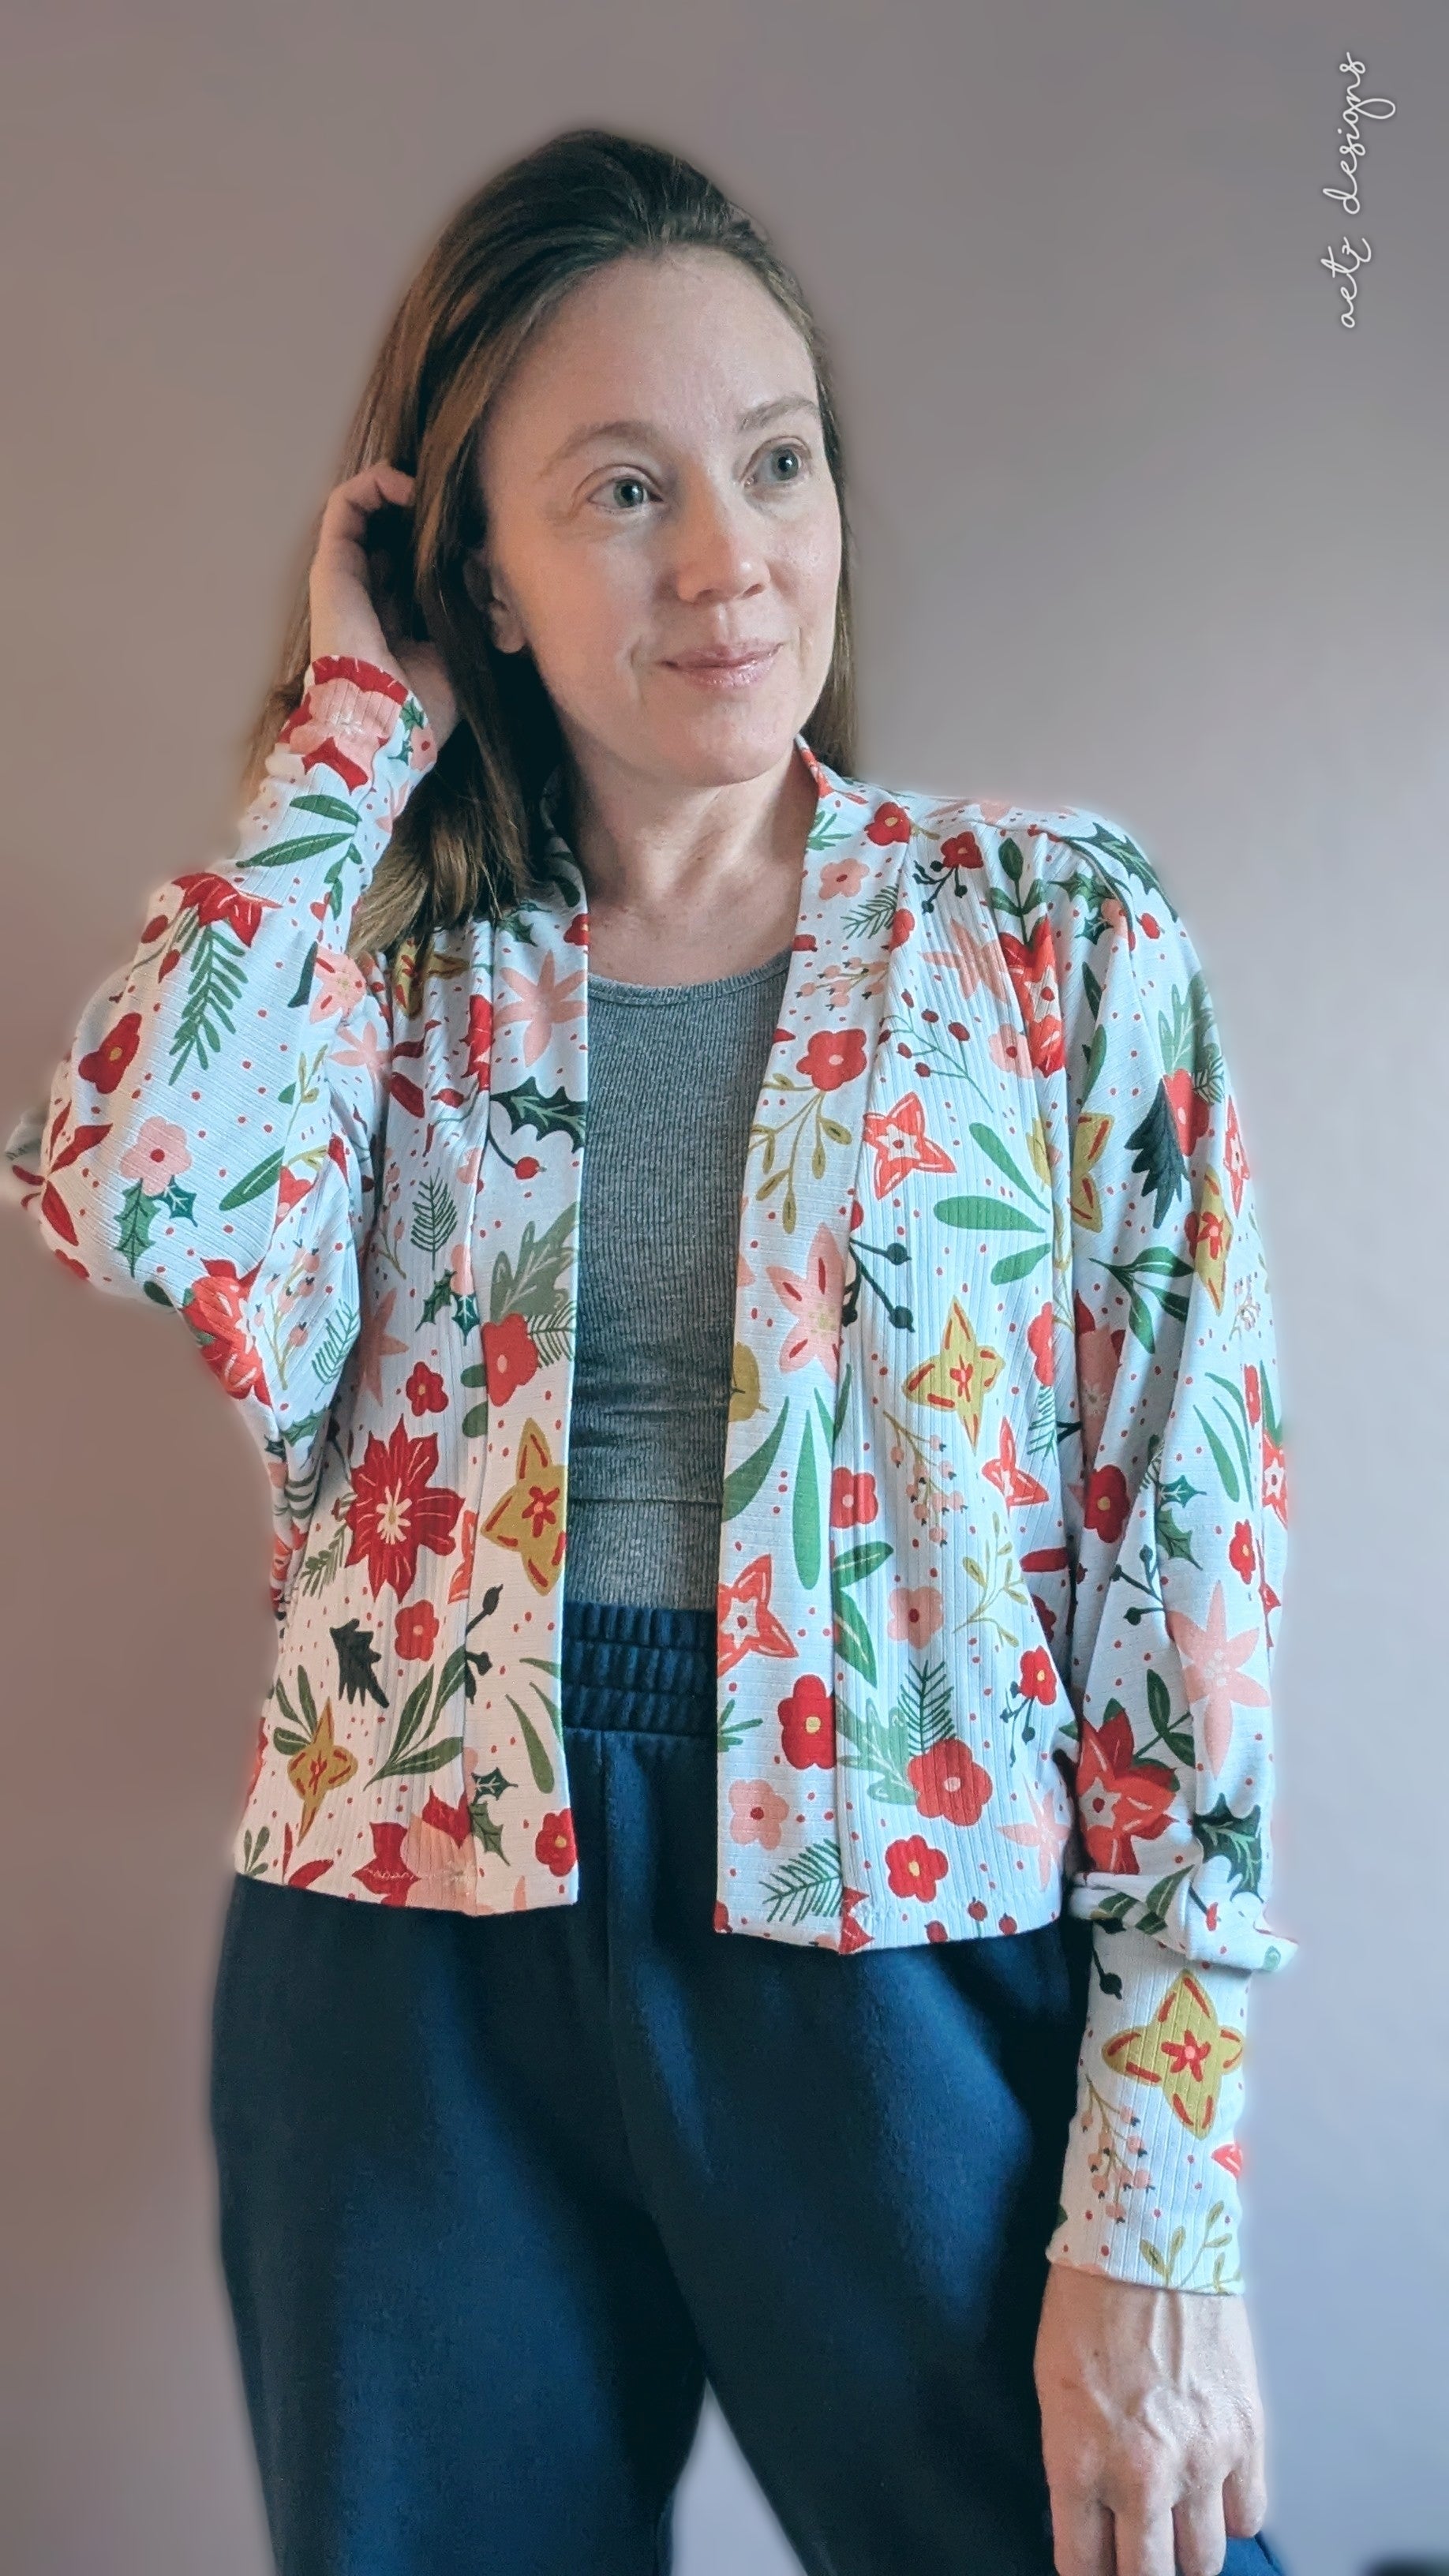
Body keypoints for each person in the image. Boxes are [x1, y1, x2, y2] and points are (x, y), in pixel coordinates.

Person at [3, 126, 1297, 2576]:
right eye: (620, 489)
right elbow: (130, 1188)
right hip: (404, 1943)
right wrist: (345, 737)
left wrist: (1162, 2195)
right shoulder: (379, 984)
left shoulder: (1047, 935)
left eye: (776, 462)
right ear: (470, 570)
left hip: (899, 1919)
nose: (731, 560)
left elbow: (1185, 1582)